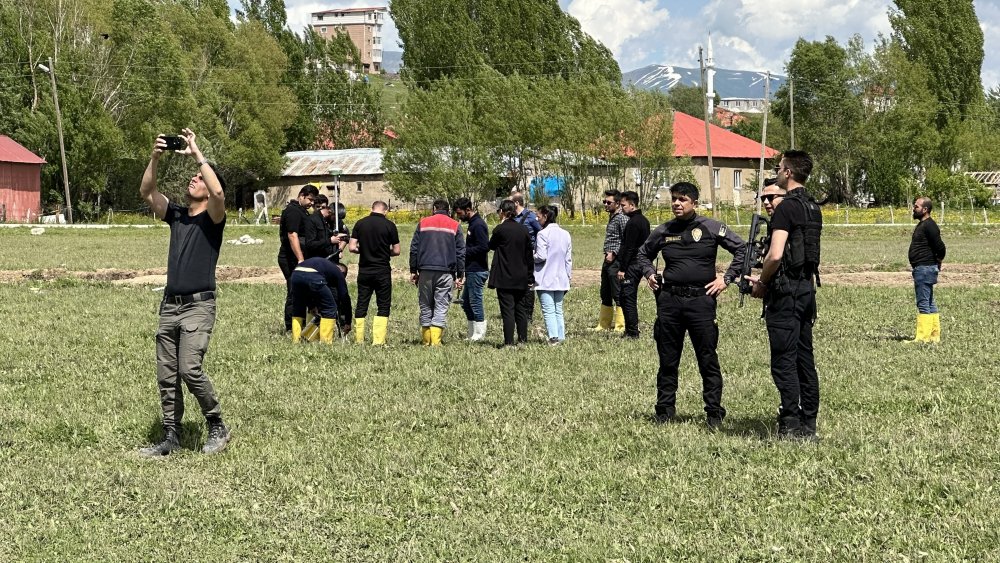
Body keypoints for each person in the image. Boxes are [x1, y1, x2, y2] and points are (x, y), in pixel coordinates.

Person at [138, 128, 231, 457]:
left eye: (200, 177)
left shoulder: (213, 218)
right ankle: (171, 436)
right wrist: (155, 157)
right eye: (194, 175)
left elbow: (218, 192)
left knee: (189, 369)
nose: (194, 178)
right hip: (170, 306)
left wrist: (196, 153)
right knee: (167, 375)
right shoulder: (176, 215)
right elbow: (147, 191)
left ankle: (217, 424)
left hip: (198, 307)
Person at [636, 182, 746, 429]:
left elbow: (742, 249)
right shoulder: (664, 230)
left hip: (701, 302)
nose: (677, 203)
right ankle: (664, 411)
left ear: (694, 203)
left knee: (707, 359)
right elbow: (642, 254)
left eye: (682, 199)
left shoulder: (711, 227)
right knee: (668, 360)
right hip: (670, 302)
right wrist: (649, 273)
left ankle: (714, 412)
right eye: (674, 198)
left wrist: (727, 278)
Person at [746, 150, 824, 440]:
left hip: (786, 291)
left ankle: (790, 423)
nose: (777, 172)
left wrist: (762, 282)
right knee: (804, 358)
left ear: (788, 172)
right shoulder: (813, 207)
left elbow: (776, 254)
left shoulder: (787, 207)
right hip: (806, 290)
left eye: (779, 168)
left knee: (783, 360)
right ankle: (809, 423)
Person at [410, 199, 465, 346]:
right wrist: (460, 274)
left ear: (434, 208)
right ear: (448, 210)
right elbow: (460, 253)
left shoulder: (423, 223)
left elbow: (414, 248)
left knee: (425, 305)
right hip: (446, 272)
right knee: (441, 305)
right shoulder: (455, 225)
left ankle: (426, 340)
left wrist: (413, 270)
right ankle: (436, 342)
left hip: (425, 271)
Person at [349, 201, 401, 345]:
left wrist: (364, 250)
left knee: (362, 303)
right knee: (383, 305)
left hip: (364, 270)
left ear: (371, 209)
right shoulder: (390, 225)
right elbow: (397, 250)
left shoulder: (360, 223)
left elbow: (352, 247)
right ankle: (378, 341)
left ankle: (359, 339)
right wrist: (384, 252)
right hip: (382, 270)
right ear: (386, 211)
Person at [489, 200, 535, 346]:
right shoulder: (523, 230)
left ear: (502, 212)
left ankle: (509, 342)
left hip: (504, 276)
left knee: (507, 310)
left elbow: (491, 245)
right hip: (521, 275)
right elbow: (529, 255)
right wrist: (530, 277)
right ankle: (522, 340)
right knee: (521, 309)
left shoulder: (500, 229)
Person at [278, 184, 319, 331]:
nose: (311, 203)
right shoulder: (293, 212)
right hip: (291, 258)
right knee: (294, 292)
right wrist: (300, 259)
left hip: (300, 257)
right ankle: (291, 328)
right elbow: (292, 235)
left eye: (313, 201)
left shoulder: (303, 211)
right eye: (310, 199)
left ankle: (302, 325)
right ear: (301, 196)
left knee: (303, 291)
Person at [908, 196, 946, 343]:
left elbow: (940, 247)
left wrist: (938, 261)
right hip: (924, 268)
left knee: (923, 303)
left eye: (916, 206)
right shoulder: (923, 224)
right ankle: (933, 336)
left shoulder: (929, 225)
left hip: (925, 268)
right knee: (930, 302)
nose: (913, 208)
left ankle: (922, 337)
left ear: (925, 209)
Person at [289, 257, 353, 344]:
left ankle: (296, 341)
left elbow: (308, 291)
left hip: (295, 274)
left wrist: (311, 306)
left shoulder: (324, 266)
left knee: (298, 309)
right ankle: (326, 343)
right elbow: (345, 297)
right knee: (330, 308)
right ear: (343, 273)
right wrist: (348, 322)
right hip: (312, 275)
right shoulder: (339, 272)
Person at [533, 205, 572, 345]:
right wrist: (568, 277)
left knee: (548, 309)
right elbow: (568, 259)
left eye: (538, 216)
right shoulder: (565, 234)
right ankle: (560, 336)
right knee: (558, 309)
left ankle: (553, 338)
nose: (537, 219)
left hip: (545, 277)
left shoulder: (542, 234)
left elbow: (541, 256)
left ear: (545, 216)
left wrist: (530, 255)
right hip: (561, 278)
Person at [614, 191, 651, 339]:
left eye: (623, 205)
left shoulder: (634, 223)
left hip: (632, 265)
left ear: (632, 205)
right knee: (625, 297)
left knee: (627, 298)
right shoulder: (643, 220)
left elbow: (629, 247)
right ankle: (630, 330)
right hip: (639, 263)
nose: (621, 208)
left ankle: (632, 332)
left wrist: (623, 269)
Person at [592, 189, 628, 332]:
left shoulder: (622, 218)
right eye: (604, 202)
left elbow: (626, 240)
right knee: (605, 291)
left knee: (617, 292)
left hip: (616, 260)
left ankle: (620, 325)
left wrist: (614, 253)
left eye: (609, 202)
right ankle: (604, 324)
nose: (605, 204)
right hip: (607, 260)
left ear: (618, 203)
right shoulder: (612, 217)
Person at [455, 197, 490, 341]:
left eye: (460, 213)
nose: (459, 216)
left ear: (468, 210)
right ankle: (472, 332)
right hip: (471, 269)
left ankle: (480, 333)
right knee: (466, 302)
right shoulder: (472, 224)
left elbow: (484, 247)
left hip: (477, 269)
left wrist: (464, 251)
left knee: (475, 301)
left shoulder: (478, 225)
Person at [302, 194, 341, 261]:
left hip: (332, 258)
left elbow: (346, 235)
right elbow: (310, 244)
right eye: (318, 207)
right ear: (313, 206)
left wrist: (340, 249)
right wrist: (330, 241)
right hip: (317, 259)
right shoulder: (311, 220)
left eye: (323, 207)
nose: (320, 209)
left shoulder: (332, 220)